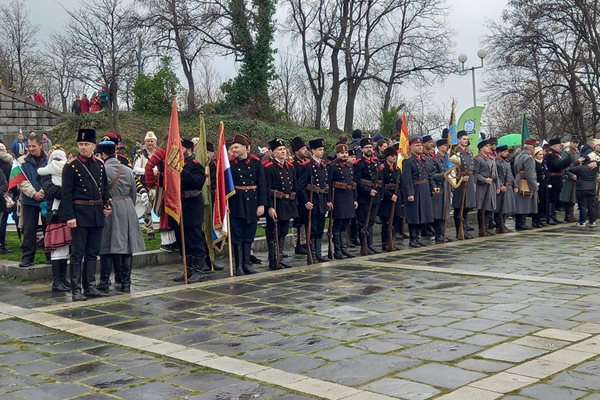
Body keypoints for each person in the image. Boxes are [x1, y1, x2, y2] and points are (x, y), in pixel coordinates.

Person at [62, 128, 111, 301]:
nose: (83, 147)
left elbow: (104, 187)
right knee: (77, 253)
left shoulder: (99, 164)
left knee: (92, 252)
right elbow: (66, 194)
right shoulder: (71, 166)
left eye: (87, 144)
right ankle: (76, 289)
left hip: (96, 213)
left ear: (94, 146)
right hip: (79, 214)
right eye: (81, 144)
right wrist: (70, 217)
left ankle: (89, 286)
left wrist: (107, 204)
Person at [96, 140, 145, 293]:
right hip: (127, 207)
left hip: (109, 207)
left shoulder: (101, 169)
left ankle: (104, 281)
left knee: (107, 245)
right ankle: (126, 283)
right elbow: (133, 194)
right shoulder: (128, 169)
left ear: (103, 154)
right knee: (127, 246)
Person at [172, 138, 209, 283]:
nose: (177, 151)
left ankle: (199, 269)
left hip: (192, 205)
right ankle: (188, 269)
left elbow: (197, 182)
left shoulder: (195, 165)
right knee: (182, 240)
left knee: (194, 238)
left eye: (180, 148)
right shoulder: (174, 165)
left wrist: (182, 172)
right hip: (178, 206)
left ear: (188, 149)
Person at [229, 134, 266, 275]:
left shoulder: (256, 163)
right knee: (237, 235)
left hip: (252, 202)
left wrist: (262, 204)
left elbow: (262, 184)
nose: (234, 150)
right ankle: (238, 265)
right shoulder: (230, 165)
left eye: (237, 147)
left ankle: (246, 264)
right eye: (232, 148)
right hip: (236, 202)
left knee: (249, 234)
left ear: (245, 148)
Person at [263, 138, 298, 270]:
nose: (283, 151)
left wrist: (294, 201)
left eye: (284, 149)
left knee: (283, 231)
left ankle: (280, 257)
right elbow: (266, 189)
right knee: (273, 231)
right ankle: (273, 259)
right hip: (276, 203)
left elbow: (294, 186)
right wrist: (270, 206)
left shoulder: (290, 167)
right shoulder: (268, 167)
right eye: (279, 150)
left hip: (287, 202)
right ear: (273, 152)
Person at [38, 149, 70, 292]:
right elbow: (52, 191)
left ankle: (63, 279)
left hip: (66, 214)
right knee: (57, 249)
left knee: (65, 248)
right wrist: (68, 191)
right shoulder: (46, 176)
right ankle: (57, 281)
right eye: (55, 158)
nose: (57, 160)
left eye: (60, 158)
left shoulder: (67, 174)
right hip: (55, 215)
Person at [402, 136, 438, 248]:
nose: (420, 147)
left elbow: (429, 175)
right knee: (414, 215)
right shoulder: (408, 161)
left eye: (420, 145)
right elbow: (406, 179)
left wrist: (433, 187)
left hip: (425, 189)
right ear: (411, 147)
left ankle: (417, 238)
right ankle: (412, 238)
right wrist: (410, 193)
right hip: (415, 190)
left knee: (423, 215)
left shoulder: (424, 160)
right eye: (417, 145)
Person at [18, 136, 48, 268]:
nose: (30, 149)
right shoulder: (21, 161)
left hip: (46, 199)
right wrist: (33, 193)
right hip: (29, 200)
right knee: (29, 230)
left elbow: (52, 177)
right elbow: (20, 180)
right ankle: (27, 258)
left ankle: (50, 256)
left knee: (48, 229)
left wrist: (42, 191)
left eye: (33, 146)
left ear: (40, 145)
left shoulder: (49, 160)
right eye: (28, 146)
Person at [299, 138, 330, 262]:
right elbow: (301, 187)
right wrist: (306, 201)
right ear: (312, 150)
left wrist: (328, 200)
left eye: (323, 149)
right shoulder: (307, 166)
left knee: (320, 228)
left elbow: (326, 185)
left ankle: (318, 253)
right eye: (319, 150)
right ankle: (311, 253)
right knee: (312, 228)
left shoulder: (323, 165)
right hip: (312, 200)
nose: (322, 152)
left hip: (321, 199)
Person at [328, 143, 357, 259]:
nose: (344, 155)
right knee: (338, 224)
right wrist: (329, 200)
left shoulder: (349, 167)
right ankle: (337, 250)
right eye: (342, 153)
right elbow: (329, 184)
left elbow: (353, 184)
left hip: (348, 197)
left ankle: (344, 248)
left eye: (346, 153)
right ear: (337, 153)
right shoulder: (332, 166)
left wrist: (355, 198)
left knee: (346, 223)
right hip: (338, 199)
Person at [354, 138, 381, 254]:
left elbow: (379, 179)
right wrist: (368, 190)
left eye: (370, 147)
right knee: (363, 221)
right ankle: (364, 245)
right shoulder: (359, 164)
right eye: (366, 147)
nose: (369, 149)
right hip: (364, 196)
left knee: (371, 221)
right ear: (362, 149)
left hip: (375, 195)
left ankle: (370, 244)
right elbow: (358, 181)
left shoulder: (376, 163)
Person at [452, 131, 477, 239]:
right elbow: (451, 169)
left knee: (467, 206)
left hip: (469, 180)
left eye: (467, 139)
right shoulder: (454, 151)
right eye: (464, 139)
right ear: (458, 140)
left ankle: (464, 227)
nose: (466, 141)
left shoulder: (468, 152)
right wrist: (461, 177)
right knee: (459, 207)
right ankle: (459, 230)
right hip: (460, 183)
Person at [134, 131, 158, 240]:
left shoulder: (160, 153)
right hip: (145, 185)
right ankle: (150, 231)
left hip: (158, 185)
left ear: (155, 142)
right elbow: (135, 169)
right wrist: (149, 171)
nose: (150, 143)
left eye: (152, 141)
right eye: (148, 141)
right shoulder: (140, 154)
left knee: (160, 207)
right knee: (147, 209)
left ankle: (165, 227)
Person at [378, 146, 402, 250]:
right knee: (386, 222)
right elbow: (381, 186)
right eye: (392, 156)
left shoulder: (397, 169)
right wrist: (390, 195)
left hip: (396, 198)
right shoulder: (382, 169)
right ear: (387, 157)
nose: (394, 158)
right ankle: (385, 243)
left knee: (395, 221)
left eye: (395, 156)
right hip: (387, 200)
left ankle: (392, 241)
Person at [569, 145, 599, 227]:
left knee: (582, 205)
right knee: (591, 205)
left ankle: (582, 222)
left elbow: (570, 168)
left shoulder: (580, 168)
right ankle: (592, 221)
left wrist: (577, 162)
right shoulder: (594, 168)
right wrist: (596, 163)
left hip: (581, 188)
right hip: (592, 188)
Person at [474, 139, 499, 236]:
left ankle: (487, 226)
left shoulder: (492, 159)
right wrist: (484, 179)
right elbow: (475, 174)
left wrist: (497, 185)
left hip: (491, 186)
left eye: (489, 147)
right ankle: (482, 228)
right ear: (481, 148)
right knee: (482, 207)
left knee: (490, 207)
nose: (489, 148)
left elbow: (495, 174)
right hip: (483, 187)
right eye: (486, 147)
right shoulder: (478, 159)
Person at [514, 139, 539, 230]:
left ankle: (518, 223)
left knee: (519, 203)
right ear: (531, 148)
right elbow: (530, 174)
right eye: (534, 147)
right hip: (525, 182)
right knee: (524, 203)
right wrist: (534, 187)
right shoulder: (529, 158)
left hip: (518, 180)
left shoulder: (518, 156)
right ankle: (522, 224)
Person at [291, 137, 310, 256]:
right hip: (298, 197)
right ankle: (297, 244)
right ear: (297, 151)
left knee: (305, 220)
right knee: (297, 222)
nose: (305, 150)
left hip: (307, 195)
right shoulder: (293, 164)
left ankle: (304, 242)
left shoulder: (307, 162)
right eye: (303, 149)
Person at [545, 137, 571, 224]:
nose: (560, 147)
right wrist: (568, 160)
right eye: (559, 145)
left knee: (555, 199)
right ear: (554, 145)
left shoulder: (556, 154)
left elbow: (560, 166)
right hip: (552, 179)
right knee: (551, 199)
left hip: (557, 179)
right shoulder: (550, 155)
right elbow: (557, 165)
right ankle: (549, 216)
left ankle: (553, 215)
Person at [431, 138, 451, 243]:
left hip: (446, 187)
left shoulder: (447, 159)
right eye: (444, 145)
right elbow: (432, 175)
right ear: (438, 147)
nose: (447, 147)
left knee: (445, 212)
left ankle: (443, 234)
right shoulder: (434, 159)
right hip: (439, 187)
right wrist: (443, 175)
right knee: (438, 212)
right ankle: (438, 234)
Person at [494, 144, 517, 233]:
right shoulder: (496, 162)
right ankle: (499, 226)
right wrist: (500, 185)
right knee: (499, 208)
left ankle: (503, 224)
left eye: (507, 151)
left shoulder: (506, 162)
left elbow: (510, 174)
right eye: (505, 151)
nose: (507, 153)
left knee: (504, 207)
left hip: (507, 186)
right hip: (501, 187)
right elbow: (496, 175)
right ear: (499, 152)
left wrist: (515, 185)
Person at [560, 138, 580, 222]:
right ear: (571, 142)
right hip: (568, 177)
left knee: (573, 197)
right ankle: (568, 214)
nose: (575, 144)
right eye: (574, 142)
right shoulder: (566, 152)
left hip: (576, 175)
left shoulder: (577, 152)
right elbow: (564, 165)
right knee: (567, 196)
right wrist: (570, 174)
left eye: (577, 142)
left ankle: (571, 214)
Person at [0, 144, 13, 253]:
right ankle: (2, 244)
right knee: (3, 221)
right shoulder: (8, 164)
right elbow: (9, 181)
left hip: (4, 192)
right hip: (5, 194)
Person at [533, 146, 549, 228]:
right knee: (538, 202)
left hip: (544, 184)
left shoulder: (544, 162)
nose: (541, 156)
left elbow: (546, 173)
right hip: (538, 184)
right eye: (539, 154)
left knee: (543, 201)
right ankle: (535, 220)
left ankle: (541, 218)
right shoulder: (534, 163)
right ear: (535, 155)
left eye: (542, 154)